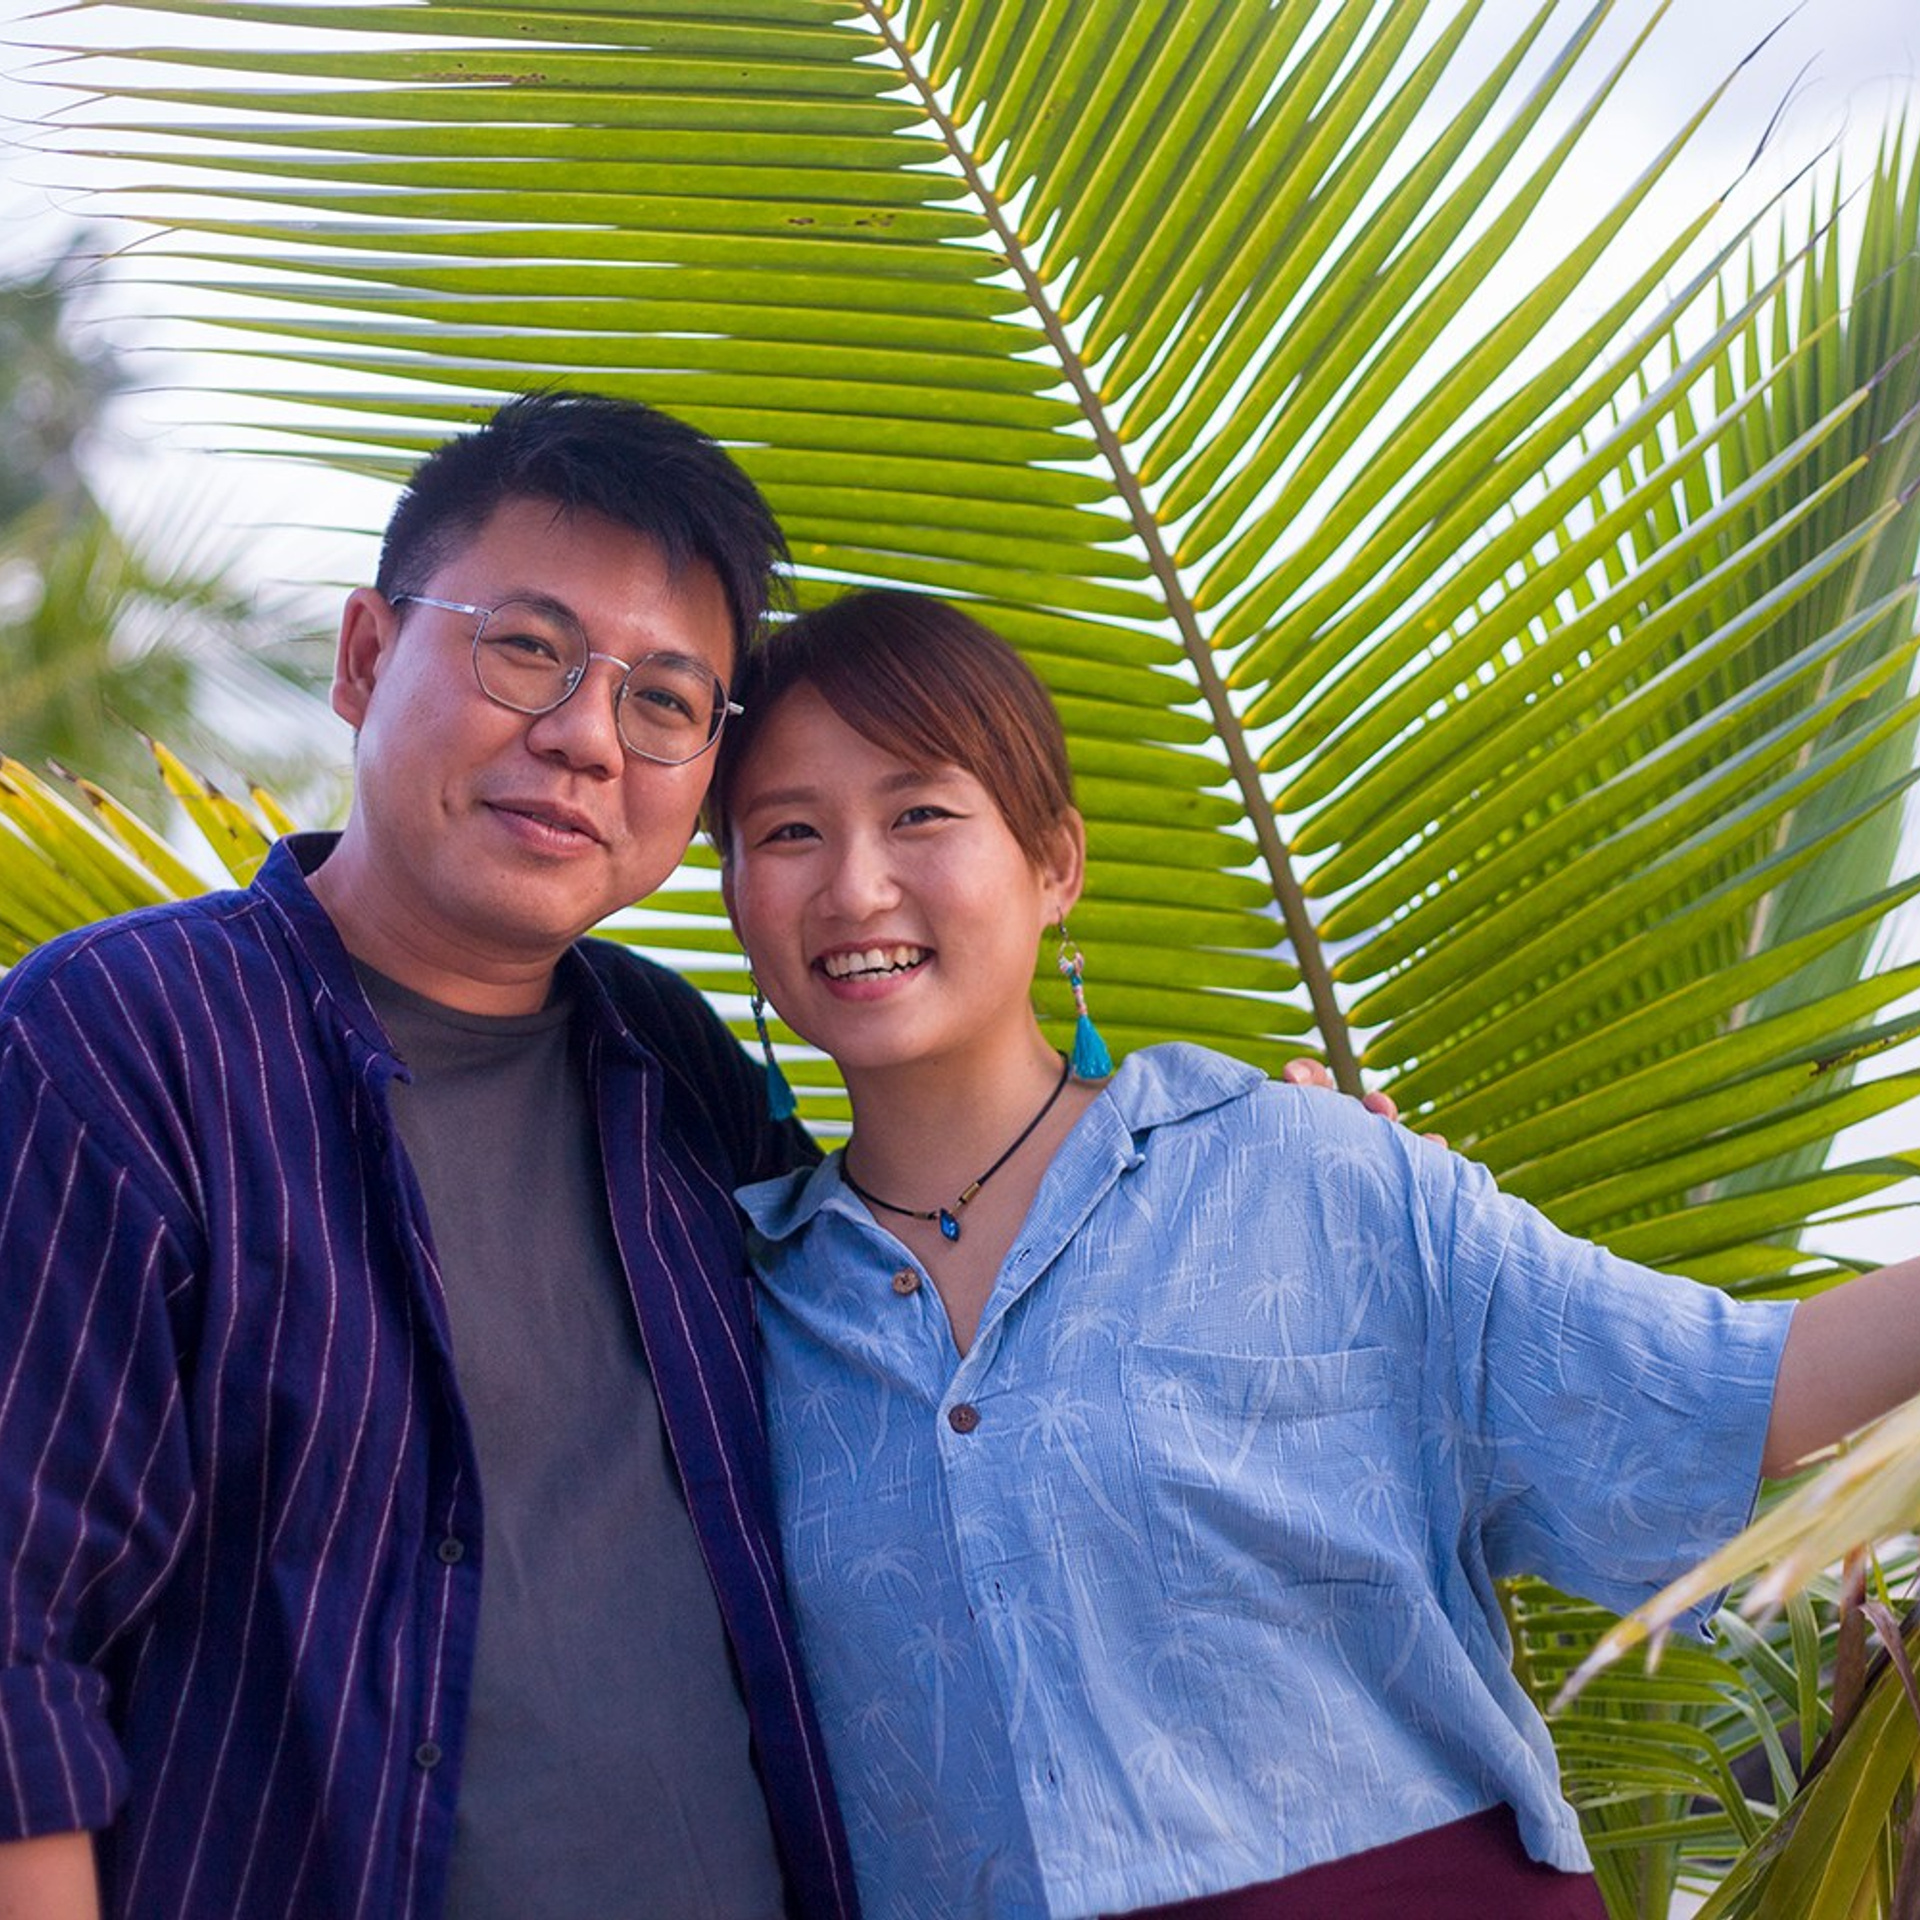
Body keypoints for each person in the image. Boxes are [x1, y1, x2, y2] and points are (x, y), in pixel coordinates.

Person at [707, 587, 1920, 1920]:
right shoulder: (729, 1311)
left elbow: (1730, 1390)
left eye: (919, 813)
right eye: (789, 832)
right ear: (736, 896)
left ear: (1055, 864)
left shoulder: (1309, 1171)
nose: (856, 883)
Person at [0, 393, 860, 1919]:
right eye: (526, 647)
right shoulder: (117, 1042)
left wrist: (1226, 1170)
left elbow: (926, 1320)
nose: (585, 737)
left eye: (665, 701)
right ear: (365, 657)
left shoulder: (679, 1072)